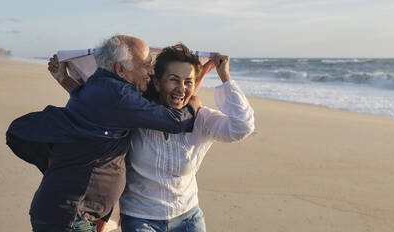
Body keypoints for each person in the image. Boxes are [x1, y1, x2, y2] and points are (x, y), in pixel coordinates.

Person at [50, 43, 255, 232]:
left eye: (188, 82)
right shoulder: (136, 114)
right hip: (140, 219)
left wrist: (225, 76)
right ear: (156, 82)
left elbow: (242, 126)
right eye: (174, 79)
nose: (181, 88)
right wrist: (64, 78)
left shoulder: (201, 119)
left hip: (188, 218)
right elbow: (98, 106)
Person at [6, 35, 200, 232]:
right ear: (120, 69)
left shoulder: (98, 85)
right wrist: (193, 103)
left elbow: (95, 107)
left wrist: (64, 79)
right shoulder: (121, 96)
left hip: (63, 213)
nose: (151, 71)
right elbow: (176, 121)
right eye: (146, 65)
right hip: (71, 218)